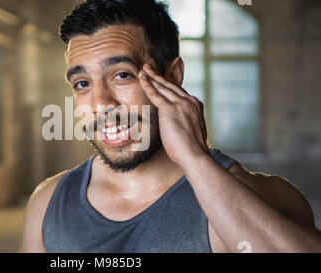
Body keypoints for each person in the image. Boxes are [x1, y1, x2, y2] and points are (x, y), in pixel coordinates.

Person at [20, 0, 321, 253]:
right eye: (82, 83)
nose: (100, 103)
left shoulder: (262, 198)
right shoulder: (47, 203)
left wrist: (194, 159)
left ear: (173, 76)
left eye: (122, 75)